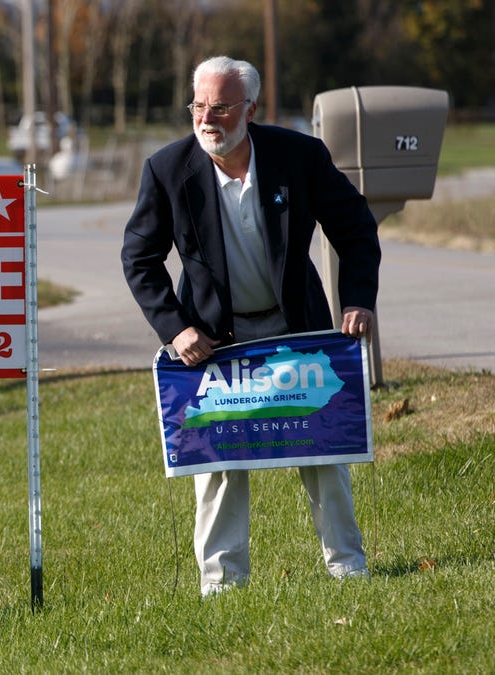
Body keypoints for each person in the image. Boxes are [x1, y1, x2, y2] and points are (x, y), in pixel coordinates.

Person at [120, 56, 380, 597]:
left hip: (298, 332)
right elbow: (139, 258)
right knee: (216, 464)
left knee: (325, 451)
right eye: (198, 106)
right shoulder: (167, 169)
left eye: (220, 106)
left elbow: (356, 229)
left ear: (250, 109)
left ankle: (348, 569)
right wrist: (175, 329)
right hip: (213, 344)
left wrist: (357, 301)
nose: (206, 118)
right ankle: (222, 584)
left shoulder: (299, 156)